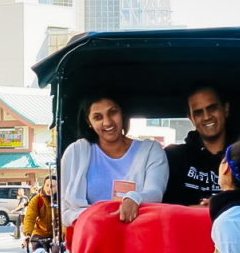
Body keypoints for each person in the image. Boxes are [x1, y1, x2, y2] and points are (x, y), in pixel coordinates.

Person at [60, 93, 169, 226]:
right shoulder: (76, 152)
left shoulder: (150, 150)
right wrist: (99, 218)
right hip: (91, 234)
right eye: (98, 117)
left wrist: (134, 199)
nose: (107, 122)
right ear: (89, 122)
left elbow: (155, 193)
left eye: (113, 112)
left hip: (138, 234)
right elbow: (66, 212)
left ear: (122, 113)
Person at [163, 84, 230, 207]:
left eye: (212, 108)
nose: (207, 117)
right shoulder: (174, 157)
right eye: (198, 113)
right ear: (191, 118)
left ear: (225, 109)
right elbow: (167, 208)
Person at [21, 175, 57, 250]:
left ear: (58, 187)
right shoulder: (36, 200)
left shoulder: (62, 200)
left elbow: (65, 220)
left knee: (56, 252)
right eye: (47, 185)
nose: (49, 188)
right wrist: (28, 234)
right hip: (39, 233)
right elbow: (30, 217)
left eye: (52, 186)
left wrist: (61, 234)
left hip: (56, 234)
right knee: (37, 251)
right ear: (43, 185)